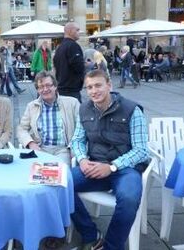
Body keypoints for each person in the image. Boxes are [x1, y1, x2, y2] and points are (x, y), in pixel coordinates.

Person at [71, 69, 150, 250]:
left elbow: (141, 150)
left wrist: (113, 166)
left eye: (98, 85)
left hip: (125, 169)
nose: (94, 91)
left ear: (109, 85)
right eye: (89, 87)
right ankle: (91, 235)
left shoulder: (132, 110)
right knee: (61, 184)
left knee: (129, 199)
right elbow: (77, 140)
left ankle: (112, 246)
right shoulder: (84, 109)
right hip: (93, 165)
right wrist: (82, 160)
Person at [17, 71, 79, 165]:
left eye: (48, 85)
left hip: (63, 150)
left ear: (55, 86)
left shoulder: (72, 103)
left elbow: (81, 128)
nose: (45, 89)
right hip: (40, 149)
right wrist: (30, 143)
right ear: (37, 90)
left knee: (59, 173)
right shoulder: (32, 106)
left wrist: (73, 148)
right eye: (41, 87)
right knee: (36, 174)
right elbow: (21, 129)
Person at [53, 22, 85, 102]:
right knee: (75, 113)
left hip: (62, 87)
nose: (79, 32)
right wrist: (85, 64)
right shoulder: (73, 46)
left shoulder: (60, 47)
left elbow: (56, 65)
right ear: (70, 31)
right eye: (77, 30)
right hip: (71, 90)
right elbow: (79, 67)